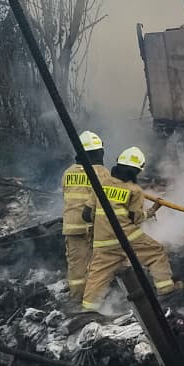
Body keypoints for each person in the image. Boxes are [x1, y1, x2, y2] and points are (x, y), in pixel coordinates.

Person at [82, 146, 178, 313]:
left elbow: (86, 214)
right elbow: (135, 218)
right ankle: (166, 290)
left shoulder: (101, 184)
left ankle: (89, 310)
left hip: (102, 241)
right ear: (136, 170)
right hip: (127, 237)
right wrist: (150, 213)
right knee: (156, 252)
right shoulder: (134, 190)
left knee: (97, 275)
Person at [61, 130, 110, 304]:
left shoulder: (68, 172)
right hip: (93, 227)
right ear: (98, 152)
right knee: (100, 264)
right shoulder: (100, 172)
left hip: (72, 227)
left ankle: (76, 300)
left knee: (77, 268)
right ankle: (97, 300)